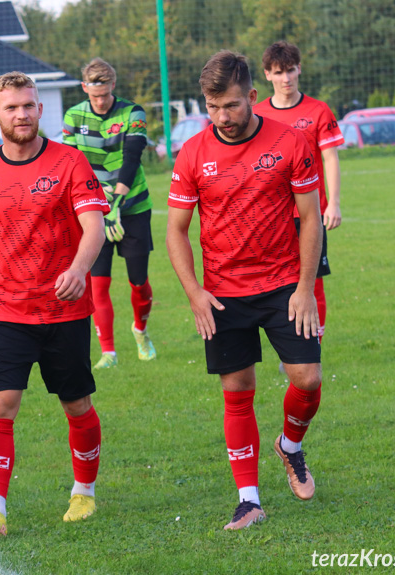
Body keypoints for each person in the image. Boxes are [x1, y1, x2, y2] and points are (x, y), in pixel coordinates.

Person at [166, 51, 324, 530]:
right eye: (213, 107)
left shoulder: (292, 141)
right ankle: (249, 500)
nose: (222, 117)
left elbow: (311, 217)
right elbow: (175, 230)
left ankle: (290, 446)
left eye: (232, 105)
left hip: (282, 284)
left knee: (307, 379)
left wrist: (304, 289)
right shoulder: (192, 152)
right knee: (237, 391)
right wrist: (194, 292)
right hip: (223, 292)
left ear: (253, 96)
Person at [0, 71, 109, 541]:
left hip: (64, 312)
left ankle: (84, 491)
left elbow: (94, 225)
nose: (21, 114)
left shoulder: (70, 162)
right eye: (12, 107)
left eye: (29, 105)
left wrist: (80, 269)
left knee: (76, 404)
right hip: (5, 312)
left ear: (41, 109)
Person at [62, 58, 157, 369]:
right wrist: (98, 209)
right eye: (94, 95)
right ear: (84, 88)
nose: (100, 101)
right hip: (95, 212)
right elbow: (74, 164)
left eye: (104, 94)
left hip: (132, 206)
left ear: (113, 86)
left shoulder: (133, 112)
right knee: (98, 283)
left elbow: (132, 158)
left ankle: (140, 331)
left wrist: (116, 206)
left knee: (138, 282)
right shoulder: (74, 116)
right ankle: (109, 353)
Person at [254, 41, 344, 349]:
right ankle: (285, 341)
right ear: (267, 74)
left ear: (299, 69)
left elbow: (330, 157)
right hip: (269, 217)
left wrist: (333, 203)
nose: (286, 79)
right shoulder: (257, 114)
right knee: (273, 282)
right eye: (278, 72)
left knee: (313, 281)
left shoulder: (318, 111)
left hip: (310, 214)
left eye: (290, 70)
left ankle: (311, 345)